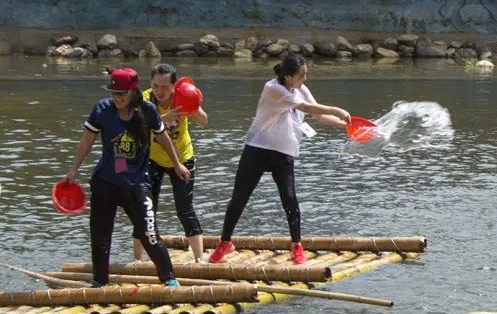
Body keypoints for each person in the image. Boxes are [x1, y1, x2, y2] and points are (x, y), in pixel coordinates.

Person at [208, 55, 351, 265]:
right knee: (239, 197)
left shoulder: (300, 89)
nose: (304, 79)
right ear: (287, 76)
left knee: (290, 198)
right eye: (301, 75)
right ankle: (225, 243)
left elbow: (319, 116)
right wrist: (337, 110)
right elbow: (308, 109)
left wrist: (347, 126)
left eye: (306, 75)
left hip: (283, 153)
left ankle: (296, 246)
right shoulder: (273, 89)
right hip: (257, 149)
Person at [62, 68, 189, 287]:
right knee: (100, 236)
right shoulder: (102, 109)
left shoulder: (147, 110)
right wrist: (74, 169)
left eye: (122, 93)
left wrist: (177, 164)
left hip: (137, 183)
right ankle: (99, 282)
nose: (117, 98)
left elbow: (163, 137)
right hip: (106, 182)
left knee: (149, 233)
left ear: (133, 91)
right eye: (113, 93)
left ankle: (169, 279)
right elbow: (87, 140)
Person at [133, 64, 208, 263]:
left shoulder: (183, 96)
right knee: (145, 207)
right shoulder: (144, 99)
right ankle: (138, 260)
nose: (159, 91)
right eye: (155, 86)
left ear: (175, 86)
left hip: (182, 158)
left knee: (185, 208)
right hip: (152, 158)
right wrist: (165, 117)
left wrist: (193, 107)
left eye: (165, 87)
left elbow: (204, 121)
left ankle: (199, 258)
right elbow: (134, 126)